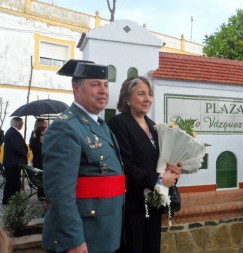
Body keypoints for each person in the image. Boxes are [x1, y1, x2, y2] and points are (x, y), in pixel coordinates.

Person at [41, 59, 125, 253]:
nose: (103, 90)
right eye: (95, 84)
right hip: (82, 238)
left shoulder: (101, 125)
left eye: (105, 85)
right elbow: (60, 193)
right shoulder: (66, 127)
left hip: (104, 232)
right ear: (76, 89)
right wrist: (73, 240)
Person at [108, 76, 181, 253]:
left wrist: (172, 170)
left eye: (150, 94)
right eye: (141, 94)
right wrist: (159, 179)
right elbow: (126, 167)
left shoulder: (154, 126)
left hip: (154, 205)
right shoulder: (119, 124)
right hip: (132, 206)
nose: (147, 99)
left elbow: (159, 162)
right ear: (127, 98)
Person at [2, 117, 28, 205]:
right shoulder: (13, 133)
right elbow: (16, 147)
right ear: (19, 124)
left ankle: (11, 199)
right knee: (12, 182)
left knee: (13, 182)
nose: (23, 125)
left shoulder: (11, 131)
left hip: (12, 162)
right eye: (22, 123)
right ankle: (8, 200)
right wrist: (25, 153)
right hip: (13, 162)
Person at [29, 125, 46, 200]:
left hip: (38, 163)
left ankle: (42, 193)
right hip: (39, 164)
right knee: (42, 178)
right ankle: (42, 194)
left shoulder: (36, 141)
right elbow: (42, 153)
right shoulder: (37, 142)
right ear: (41, 134)